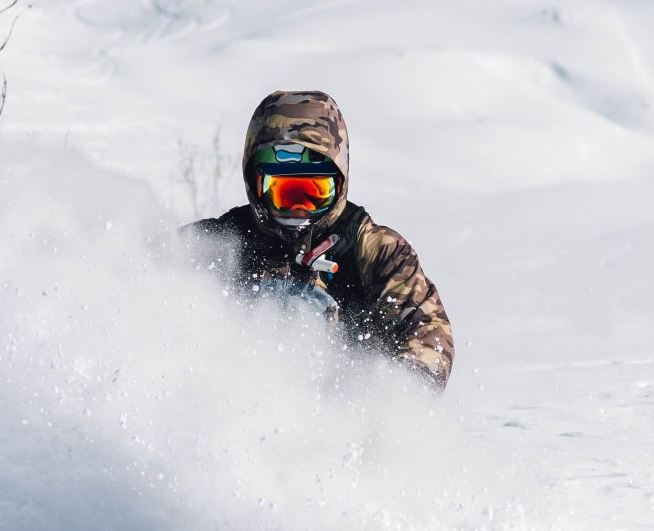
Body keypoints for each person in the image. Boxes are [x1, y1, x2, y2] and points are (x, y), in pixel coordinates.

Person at [188, 90, 455, 389]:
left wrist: (398, 392)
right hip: (231, 401)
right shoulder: (220, 241)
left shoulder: (375, 250)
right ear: (256, 184)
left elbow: (427, 330)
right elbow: (142, 282)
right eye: (284, 193)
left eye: (314, 193)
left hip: (346, 409)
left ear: (339, 186)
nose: (298, 211)